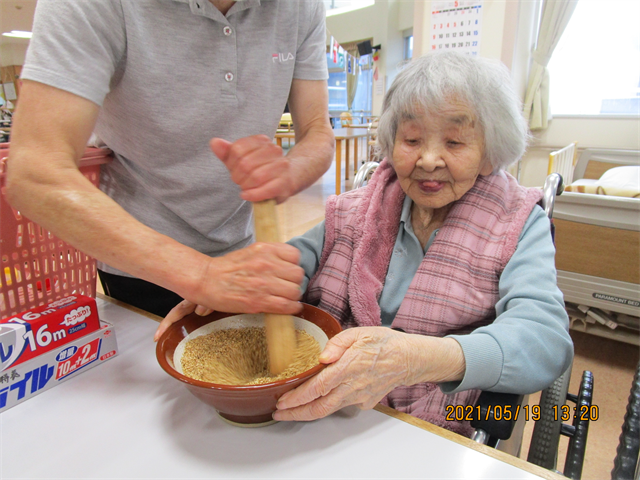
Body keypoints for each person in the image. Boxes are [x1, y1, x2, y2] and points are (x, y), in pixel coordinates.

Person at [272, 51, 574, 435]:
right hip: (326, 406)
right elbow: (292, 263)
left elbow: (545, 338)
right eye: (412, 139)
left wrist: (420, 358)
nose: (429, 159)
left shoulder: (517, 223)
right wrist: (258, 279)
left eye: (455, 141)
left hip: (433, 427)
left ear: (489, 151)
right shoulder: (355, 210)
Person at [5, 0, 335, 319]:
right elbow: (34, 172)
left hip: (240, 252)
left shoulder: (301, 6)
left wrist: (288, 172)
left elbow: (318, 131)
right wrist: (202, 274)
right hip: (139, 260)